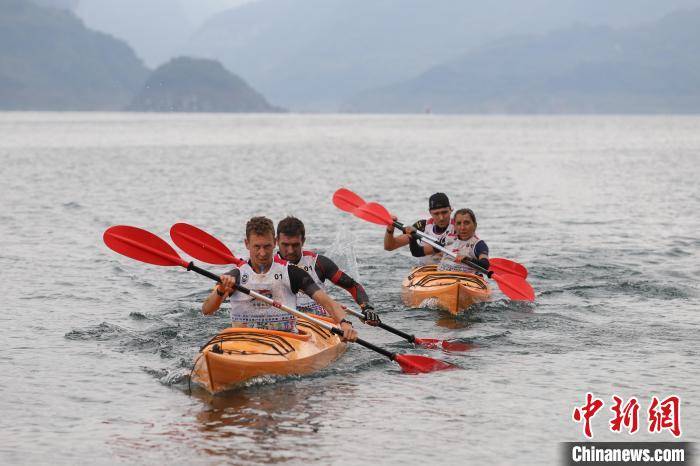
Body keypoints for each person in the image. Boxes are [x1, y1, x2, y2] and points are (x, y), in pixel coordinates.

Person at [201, 216, 357, 341]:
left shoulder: (292, 273)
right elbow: (207, 310)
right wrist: (221, 291)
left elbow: (328, 303)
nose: (262, 253)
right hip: (243, 339)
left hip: (287, 339)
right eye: (257, 247)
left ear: (275, 243)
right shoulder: (235, 275)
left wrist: (345, 324)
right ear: (247, 244)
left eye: (267, 246)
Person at [275, 216, 380, 325]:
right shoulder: (267, 266)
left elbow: (353, 286)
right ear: (276, 241)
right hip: (285, 320)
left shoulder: (319, 263)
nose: (291, 251)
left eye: (295, 245)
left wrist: (367, 308)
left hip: (319, 322)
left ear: (303, 241)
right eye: (285, 245)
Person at [410, 208, 490, 275]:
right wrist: (412, 237)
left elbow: (485, 264)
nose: (462, 227)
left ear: (475, 225)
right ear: (454, 226)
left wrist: (468, 259)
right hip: (439, 278)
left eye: (466, 223)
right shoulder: (447, 240)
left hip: (466, 281)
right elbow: (417, 252)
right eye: (458, 223)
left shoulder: (478, 244)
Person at [384, 192, 456, 264]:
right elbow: (389, 247)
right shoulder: (421, 226)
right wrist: (390, 228)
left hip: (452, 271)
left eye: (444, 212)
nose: (441, 218)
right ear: (430, 212)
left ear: (451, 210)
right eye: (436, 213)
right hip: (425, 270)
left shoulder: (459, 227)